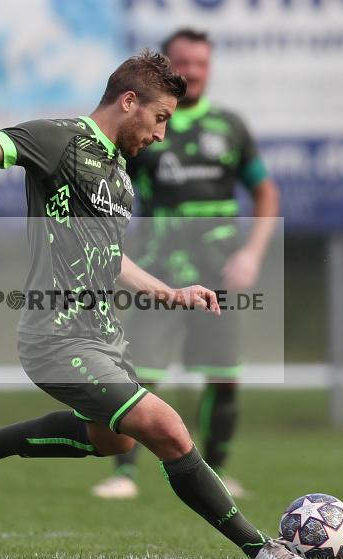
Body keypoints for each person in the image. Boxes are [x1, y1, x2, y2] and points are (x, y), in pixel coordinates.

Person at [0, 50, 303, 559]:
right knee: (168, 428)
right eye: (160, 117)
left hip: (104, 336)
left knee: (116, 442)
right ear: (129, 101)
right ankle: (262, 550)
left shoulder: (120, 175)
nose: (161, 133)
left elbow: (111, 257)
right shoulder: (59, 140)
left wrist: (171, 292)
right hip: (55, 336)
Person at [92, 30, 279, 500]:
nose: (193, 72)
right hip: (159, 270)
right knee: (139, 372)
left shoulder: (229, 127)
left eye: (201, 63)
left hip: (219, 272)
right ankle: (124, 473)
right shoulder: (147, 125)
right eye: (184, 64)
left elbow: (265, 192)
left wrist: (251, 253)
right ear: (168, 69)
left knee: (224, 374)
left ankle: (217, 473)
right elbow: (112, 189)